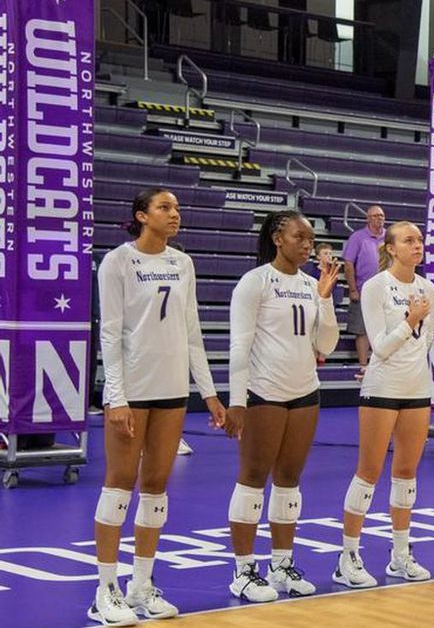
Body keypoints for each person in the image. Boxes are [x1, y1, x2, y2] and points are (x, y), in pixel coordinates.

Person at [90, 189, 226, 624]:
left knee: (155, 487)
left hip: (171, 390)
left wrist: (208, 391)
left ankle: (140, 585)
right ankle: (104, 589)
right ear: (141, 215)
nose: (175, 215)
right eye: (165, 208)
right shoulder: (118, 262)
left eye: (177, 209)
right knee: (119, 482)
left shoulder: (182, 263)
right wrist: (115, 396)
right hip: (132, 388)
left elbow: (192, 332)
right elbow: (110, 334)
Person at [226, 210, 341, 602]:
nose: (308, 245)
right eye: (300, 237)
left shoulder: (313, 285)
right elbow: (239, 346)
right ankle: (243, 571)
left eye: (310, 239)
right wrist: (237, 402)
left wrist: (324, 301)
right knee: (254, 476)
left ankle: (281, 565)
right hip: (264, 392)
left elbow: (325, 345)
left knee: (290, 478)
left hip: (304, 391)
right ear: (278, 238)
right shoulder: (254, 283)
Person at [334, 222, 434, 588]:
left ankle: (400, 555)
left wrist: (415, 326)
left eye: (420, 240)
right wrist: (411, 319)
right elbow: (380, 346)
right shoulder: (376, 286)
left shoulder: (429, 288)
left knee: (407, 473)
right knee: (369, 471)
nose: (418, 245)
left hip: (416, 388)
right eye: (409, 240)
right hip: (381, 386)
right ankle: (347, 557)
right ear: (391, 248)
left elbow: (425, 342)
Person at [341, 205, 387, 379]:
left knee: (385, 328)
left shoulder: (389, 237)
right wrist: (352, 289)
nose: (379, 219)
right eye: (375, 216)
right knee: (362, 330)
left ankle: (381, 363)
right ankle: (363, 365)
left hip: (385, 291)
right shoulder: (358, 237)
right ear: (368, 219)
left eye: (381, 216)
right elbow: (348, 264)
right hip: (363, 290)